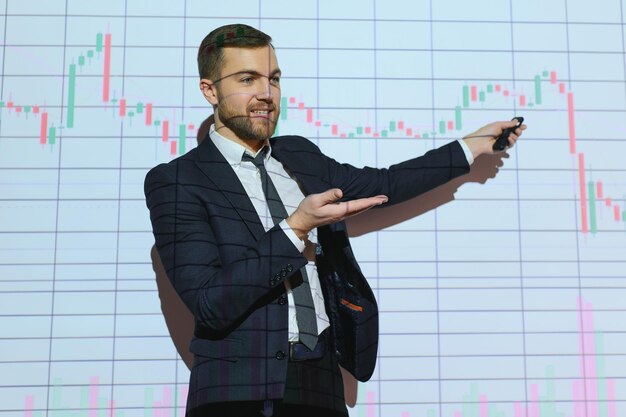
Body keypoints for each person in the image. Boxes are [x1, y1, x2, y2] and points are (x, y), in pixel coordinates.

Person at [144, 23, 526, 417]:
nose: (266, 93)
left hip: (321, 382)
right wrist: (295, 229)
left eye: (273, 79)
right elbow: (209, 303)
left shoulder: (300, 156)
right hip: (237, 392)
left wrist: (470, 147)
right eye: (248, 79)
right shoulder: (177, 180)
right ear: (210, 90)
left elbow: (386, 182)